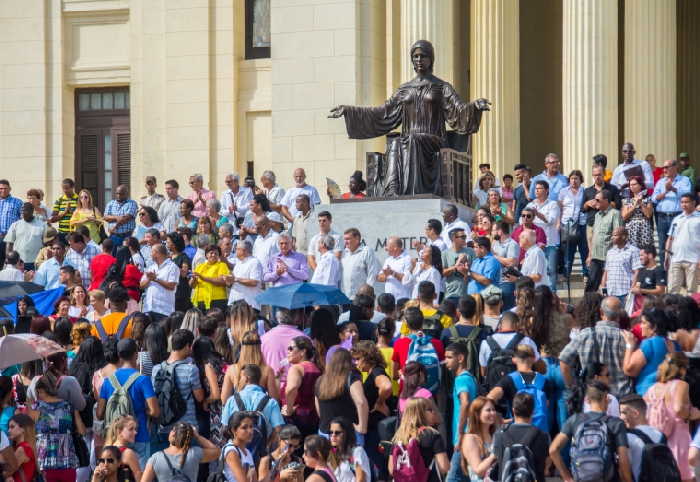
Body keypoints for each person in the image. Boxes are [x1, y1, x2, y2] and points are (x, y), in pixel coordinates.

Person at [549, 381, 633, 482]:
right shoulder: (616, 423)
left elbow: (553, 449)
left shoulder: (575, 419)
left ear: (587, 400)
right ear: (607, 399)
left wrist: (567, 478)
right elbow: (623, 459)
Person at [95, 338, 159, 466]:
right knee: (139, 475)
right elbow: (155, 411)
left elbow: (100, 414)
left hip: (116, 438)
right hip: (139, 435)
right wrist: (142, 410)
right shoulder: (142, 380)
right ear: (136, 354)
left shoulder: (108, 381)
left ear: (118, 355)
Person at [559, 296, 632, 399]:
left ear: (601, 313)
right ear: (620, 315)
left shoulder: (585, 334)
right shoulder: (628, 338)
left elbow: (564, 361)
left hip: (592, 397)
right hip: (621, 396)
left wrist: (572, 386)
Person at [643, 352, 696, 481]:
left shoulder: (653, 388)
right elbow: (678, 409)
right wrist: (691, 414)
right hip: (678, 439)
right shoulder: (681, 385)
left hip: (658, 439)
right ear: (682, 369)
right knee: (685, 476)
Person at [28, 375, 80, 482]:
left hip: (44, 463)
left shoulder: (35, 408)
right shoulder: (68, 406)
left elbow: (30, 440)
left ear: (40, 390)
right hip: (67, 462)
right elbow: (81, 430)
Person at [152, 330, 204, 435]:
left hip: (163, 427)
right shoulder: (191, 369)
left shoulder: (156, 369)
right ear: (187, 346)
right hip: (186, 427)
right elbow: (199, 397)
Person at [491, 393, 550, 482]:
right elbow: (546, 466)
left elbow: (495, 461)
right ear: (533, 411)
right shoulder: (543, 436)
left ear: (513, 410)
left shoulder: (499, 435)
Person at [315, 349, 369, 444]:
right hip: (347, 435)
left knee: (328, 459)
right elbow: (361, 402)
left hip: (325, 432)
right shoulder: (351, 378)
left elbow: (319, 408)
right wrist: (362, 427)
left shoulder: (320, 380)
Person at [389, 397, 449, 482]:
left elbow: (391, 469)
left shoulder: (398, 437)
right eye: (430, 410)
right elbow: (444, 467)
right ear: (420, 413)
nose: (433, 412)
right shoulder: (432, 434)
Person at [444, 342, 478, 480]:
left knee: (452, 478)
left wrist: (460, 432)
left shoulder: (461, 380)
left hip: (463, 437)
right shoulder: (470, 378)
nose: (446, 361)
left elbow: (465, 402)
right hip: (468, 435)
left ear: (460, 358)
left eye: (449, 357)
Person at [141, 422, 219, 482]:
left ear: (172, 434)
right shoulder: (194, 453)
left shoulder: (156, 458)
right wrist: (197, 436)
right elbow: (217, 451)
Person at [653, 159, 692, 266]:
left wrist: (673, 189)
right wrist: (665, 191)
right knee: (662, 245)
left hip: (677, 216)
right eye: (663, 167)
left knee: (678, 244)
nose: (664, 169)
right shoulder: (661, 182)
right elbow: (654, 199)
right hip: (662, 217)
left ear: (675, 167)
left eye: (667, 167)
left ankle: (678, 272)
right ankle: (664, 276)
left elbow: (687, 195)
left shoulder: (684, 180)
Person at [618, 394, 666, 482]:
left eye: (623, 413)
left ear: (635, 414)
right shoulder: (660, 435)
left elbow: (623, 471)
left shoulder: (628, 438)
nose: (620, 417)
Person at [525, 180, 560, 291]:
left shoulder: (553, 204)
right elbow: (523, 220)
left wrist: (537, 214)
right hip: (534, 245)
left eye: (539, 188)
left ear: (546, 190)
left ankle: (552, 294)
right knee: (535, 270)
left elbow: (550, 221)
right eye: (535, 188)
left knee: (551, 270)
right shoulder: (530, 205)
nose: (536, 191)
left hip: (549, 243)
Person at [586, 189, 624, 292]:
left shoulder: (615, 213)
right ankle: (589, 307)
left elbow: (618, 234)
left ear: (606, 201)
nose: (595, 202)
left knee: (607, 286)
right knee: (591, 285)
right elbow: (595, 236)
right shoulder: (597, 215)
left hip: (609, 256)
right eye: (594, 199)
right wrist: (590, 254)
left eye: (598, 200)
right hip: (596, 256)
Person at [665, 193, 700, 294]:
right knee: (672, 290)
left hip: (693, 259)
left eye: (686, 202)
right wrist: (667, 256)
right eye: (682, 202)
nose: (684, 204)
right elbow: (670, 238)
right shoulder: (677, 219)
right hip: (676, 258)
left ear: (693, 203)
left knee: (692, 292)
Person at [460, 396, 498, 481]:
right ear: (477, 414)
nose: (493, 413)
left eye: (493, 409)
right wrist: (494, 455)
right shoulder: (470, 439)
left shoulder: (495, 435)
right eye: (488, 410)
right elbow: (478, 470)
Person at [601, 227, 641, 305]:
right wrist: (603, 287)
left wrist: (631, 290)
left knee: (625, 316)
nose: (612, 237)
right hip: (611, 292)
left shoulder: (633, 250)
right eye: (612, 235)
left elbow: (637, 271)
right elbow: (606, 271)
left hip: (625, 293)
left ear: (623, 237)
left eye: (615, 235)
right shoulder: (610, 252)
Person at [261, 308, 308, 374]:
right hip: (297, 381)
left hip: (271, 381)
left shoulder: (263, 338)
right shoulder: (305, 338)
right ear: (296, 316)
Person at [140, 244, 179, 321]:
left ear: (157, 253)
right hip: (148, 308)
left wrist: (156, 279)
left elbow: (171, 286)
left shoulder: (172, 267)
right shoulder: (151, 267)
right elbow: (141, 285)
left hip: (163, 310)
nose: (150, 255)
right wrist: (149, 279)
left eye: (152, 252)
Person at [340, 228, 380, 300]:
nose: (345, 242)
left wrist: (367, 295)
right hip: (345, 298)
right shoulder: (344, 254)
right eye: (344, 239)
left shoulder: (366, 251)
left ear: (357, 239)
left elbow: (372, 273)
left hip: (361, 298)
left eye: (348, 239)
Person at [327, 416, 371, 482]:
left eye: (337, 432)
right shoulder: (331, 453)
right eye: (331, 432)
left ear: (347, 433)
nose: (333, 435)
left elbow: (361, 479)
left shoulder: (357, 451)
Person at [5, 202, 45, 272]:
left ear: (32, 211)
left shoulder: (42, 225)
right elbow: (9, 243)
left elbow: (46, 244)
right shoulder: (15, 225)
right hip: (18, 263)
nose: (22, 212)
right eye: (21, 210)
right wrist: (8, 258)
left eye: (25, 210)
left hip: (35, 262)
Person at [190, 244, 229, 311]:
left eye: (216, 253)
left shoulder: (222, 265)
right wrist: (193, 279)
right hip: (200, 301)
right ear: (206, 255)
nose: (213, 255)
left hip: (217, 300)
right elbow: (192, 285)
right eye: (211, 253)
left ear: (219, 256)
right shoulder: (200, 267)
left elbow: (222, 281)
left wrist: (203, 278)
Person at [221, 412, 258, 482]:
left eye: (251, 426)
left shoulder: (247, 452)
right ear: (234, 430)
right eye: (244, 427)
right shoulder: (231, 452)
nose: (250, 431)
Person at [103, 416, 142, 481]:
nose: (135, 432)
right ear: (119, 431)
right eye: (131, 429)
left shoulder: (106, 450)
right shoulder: (128, 453)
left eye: (135, 429)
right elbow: (140, 479)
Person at [441, 227, 475, 302]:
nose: (465, 239)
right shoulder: (445, 254)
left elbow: (476, 271)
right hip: (451, 294)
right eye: (462, 237)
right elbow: (443, 273)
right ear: (453, 238)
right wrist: (456, 265)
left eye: (465, 236)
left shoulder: (471, 252)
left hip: (468, 293)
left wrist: (467, 269)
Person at [103, 185, 138, 253]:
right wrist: (117, 217)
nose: (119, 195)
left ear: (126, 194)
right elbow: (105, 217)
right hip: (113, 236)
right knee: (113, 258)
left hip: (127, 236)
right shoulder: (110, 203)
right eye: (117, 193)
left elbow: (126, 218)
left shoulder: (132, 203)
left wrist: (114, 226)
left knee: (125, 259)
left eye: (121, 194)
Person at [622, 176, 654, 249]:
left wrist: (641, 203)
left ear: (640, 185)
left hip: (644, 227)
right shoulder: (627, 200)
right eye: (630, 185)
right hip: (631, 228)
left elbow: (648, 215)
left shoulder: (648, 199)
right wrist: (634, 206)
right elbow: (624, 216)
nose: (632, 186)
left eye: (634, 184)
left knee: (645, 251)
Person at [0, 179, 23, 268]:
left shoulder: (18, 202)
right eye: (1, 188)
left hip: (10, 239)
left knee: (8, 263)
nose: (3, 190)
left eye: (5, 188)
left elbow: (22, 220)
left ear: (10, 189)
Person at [7, 413, 36, 482]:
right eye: (8, 427)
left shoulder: (23, 449)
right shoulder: (24, 447)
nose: (8, 431)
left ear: (23, 429)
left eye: (12, 427)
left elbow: (6, 472)